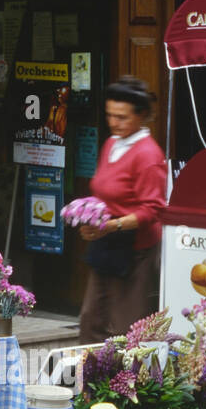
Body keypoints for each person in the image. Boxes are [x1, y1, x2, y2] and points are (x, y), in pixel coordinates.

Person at [77, 76, 167, 344]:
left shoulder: (149, 155)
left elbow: (152, 210)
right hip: (106, 246)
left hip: (136, 251)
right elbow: (103, 190)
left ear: (141, 116)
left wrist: (111, 225)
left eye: (122, 117)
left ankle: (129, 385)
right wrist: (88, 217)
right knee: (92, 318)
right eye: (110, 116)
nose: (114, 123)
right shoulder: (111, 144)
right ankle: (90, 382)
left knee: (128, 328)